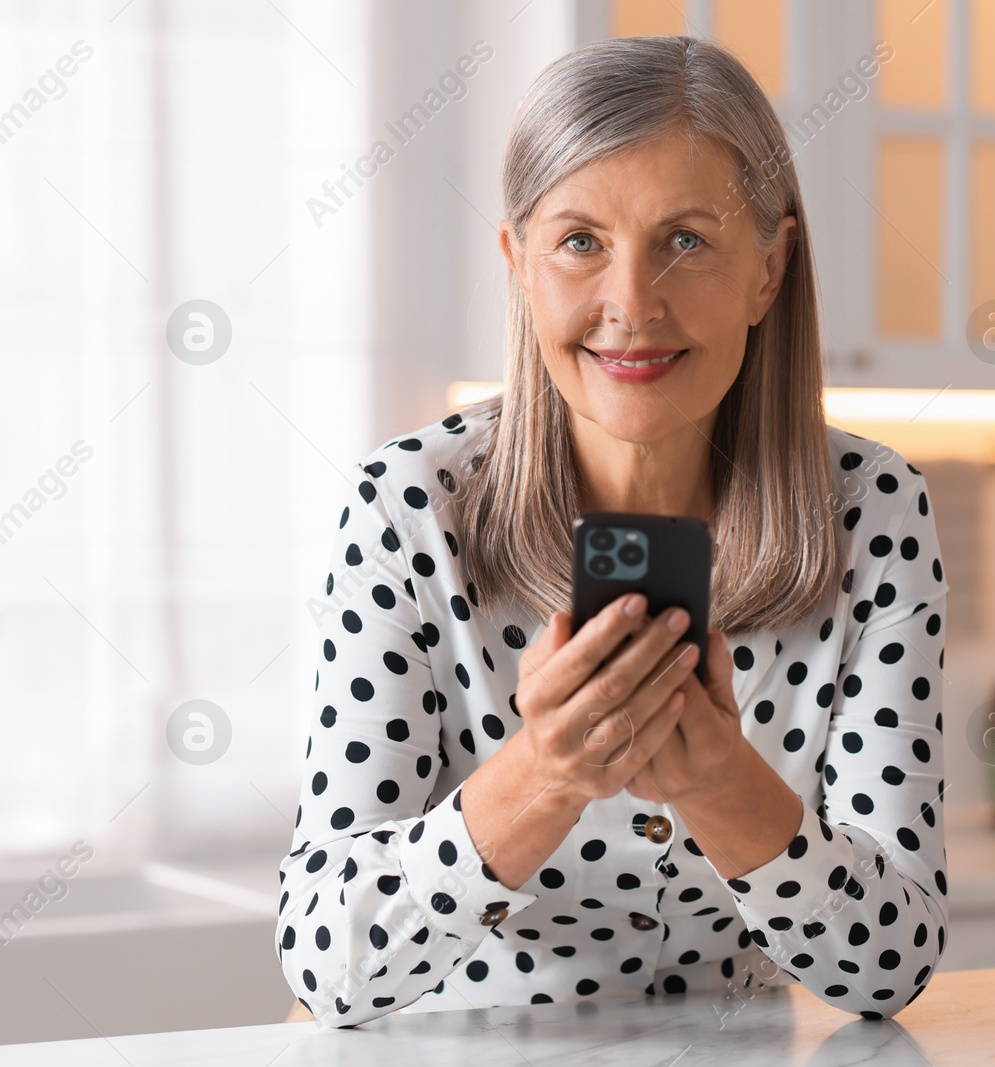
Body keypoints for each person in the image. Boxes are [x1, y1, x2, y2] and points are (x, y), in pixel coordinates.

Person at [277, 34, 949, 1027]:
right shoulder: (409, 507)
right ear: (519, 264)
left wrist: (722, 781)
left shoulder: (873, 512)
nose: (631, 304)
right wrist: (544, 773)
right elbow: (327, 959)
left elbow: (889, 967)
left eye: (685, 239)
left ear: (769, 268)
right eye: (580, 241)